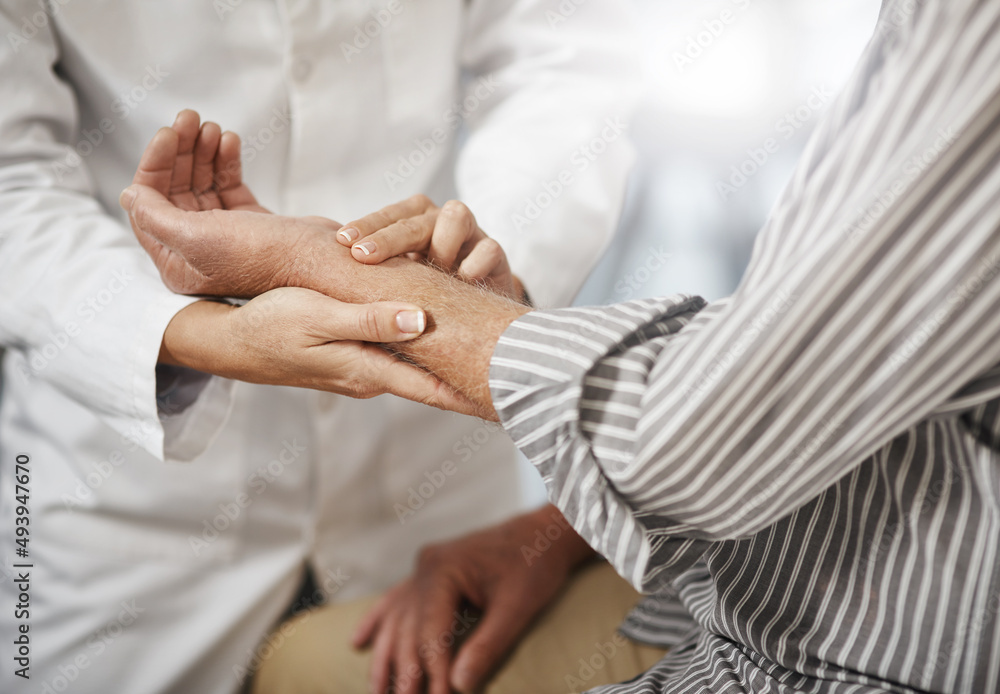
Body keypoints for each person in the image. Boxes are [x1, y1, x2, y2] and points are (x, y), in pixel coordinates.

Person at [119, 0, 1000, 691]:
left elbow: (697, 445)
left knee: (318, 665)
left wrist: (313, 266)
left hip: (851, 638)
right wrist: (562, 529)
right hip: (122, 499)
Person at [0, 2, 639, 693]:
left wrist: (500, 276)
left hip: (432, 472)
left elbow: (560, 61)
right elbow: (11, 176)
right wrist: (202, 334)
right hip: (128, 490)